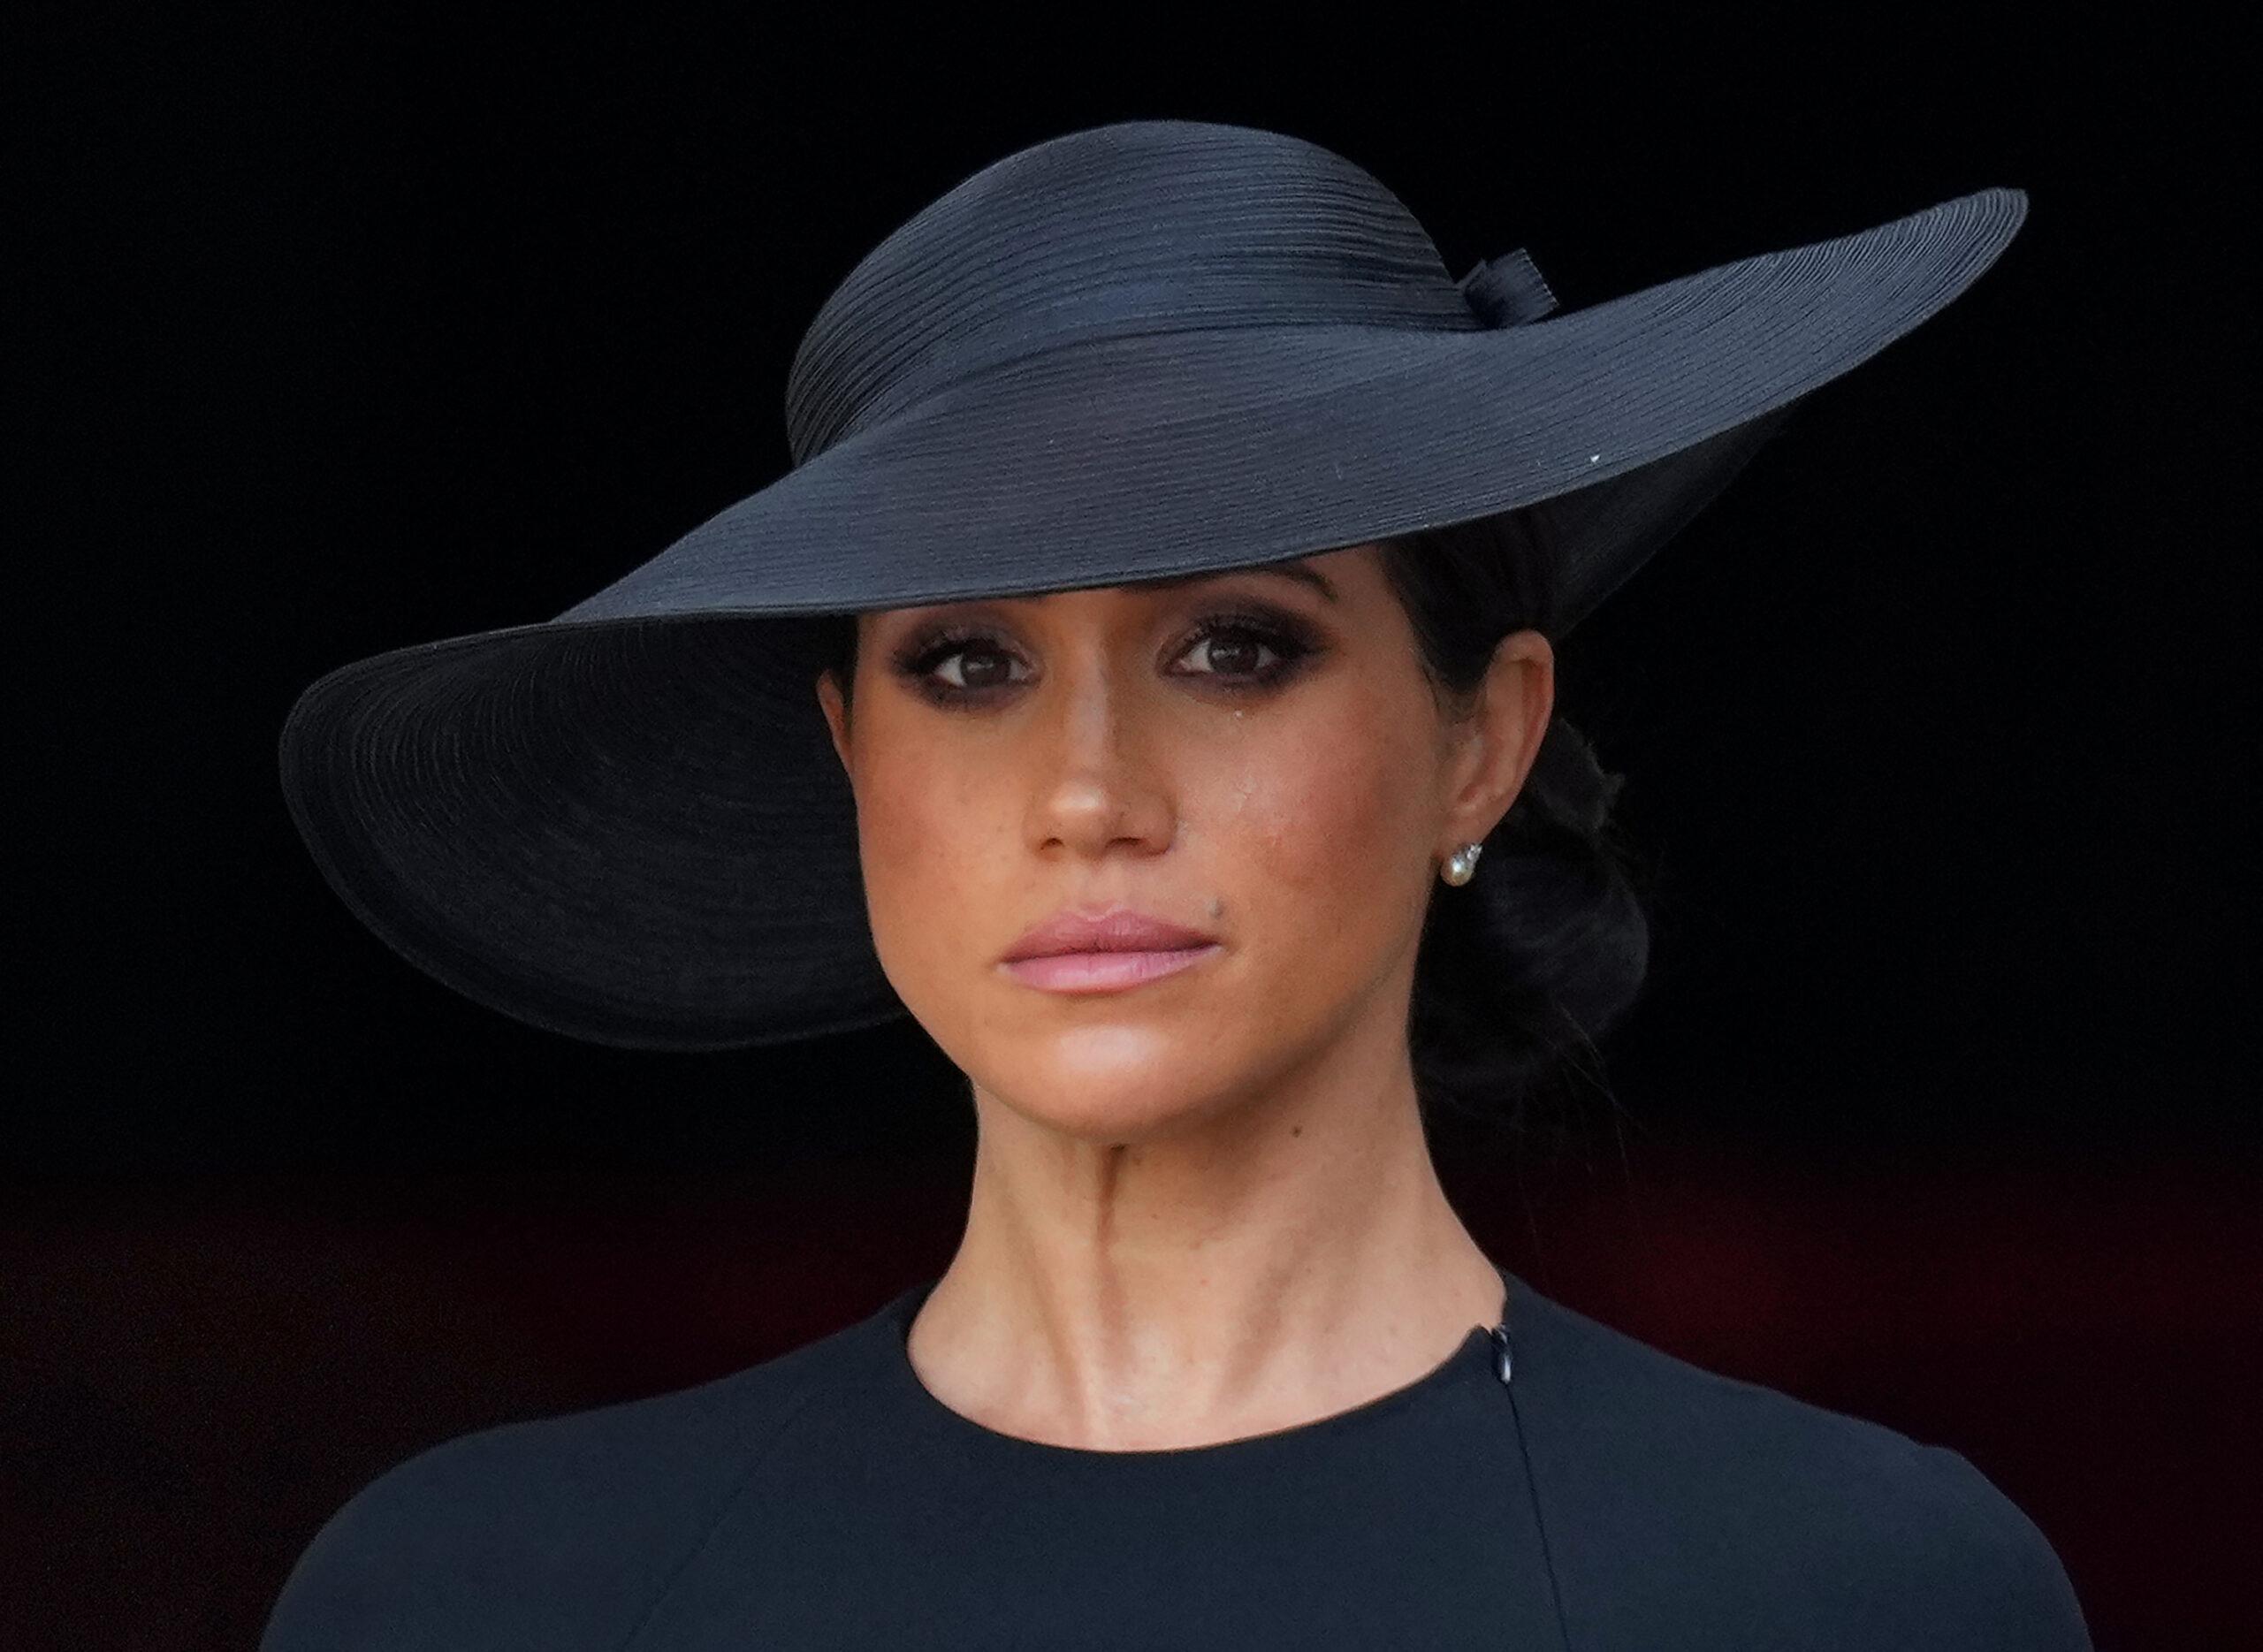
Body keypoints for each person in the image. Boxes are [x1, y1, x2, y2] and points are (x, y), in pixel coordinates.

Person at [260, 119, 2092, 1648]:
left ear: (1483, 737)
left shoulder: (1851, 1590)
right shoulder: (481, 1598)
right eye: (968, 661)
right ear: (849, 755)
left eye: (1232, 645)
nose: (1087, 791)